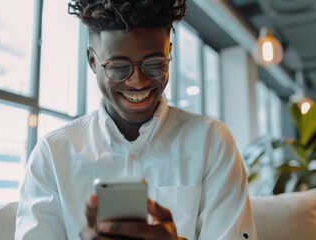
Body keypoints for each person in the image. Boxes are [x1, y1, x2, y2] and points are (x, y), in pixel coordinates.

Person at [15, 0, 258, 239]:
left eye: (154, 64)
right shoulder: (53, 155)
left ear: (169, 54)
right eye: (119, 66)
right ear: (92, 62)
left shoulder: (211, 142)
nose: (138, 81)